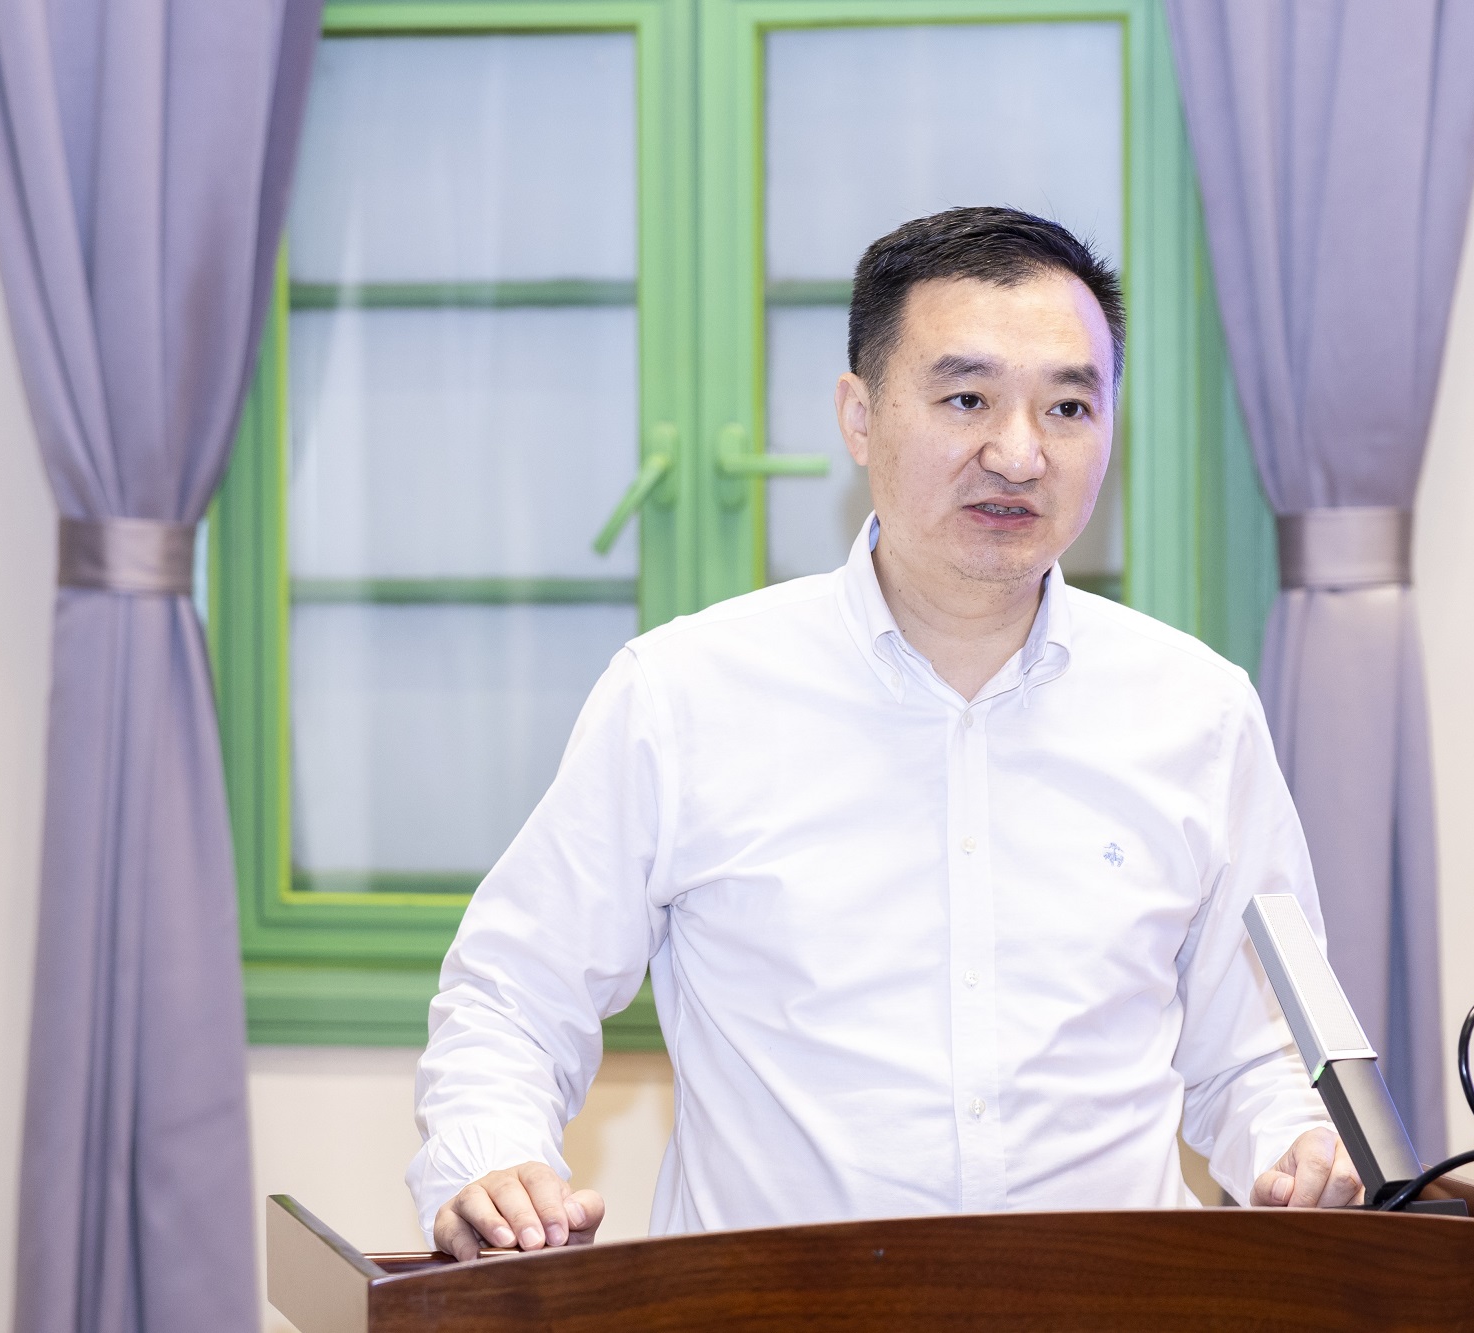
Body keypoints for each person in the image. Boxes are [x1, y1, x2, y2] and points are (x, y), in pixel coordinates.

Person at [408, 205, 1360, 1259]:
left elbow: (1260, 1054)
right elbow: (515, 994)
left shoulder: (1198, 710)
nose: (1019, 453)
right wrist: (491, 1159)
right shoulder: (684, 694)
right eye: (966, 398)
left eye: (1067, 407)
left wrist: (1299, 1149)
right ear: (858, 417)